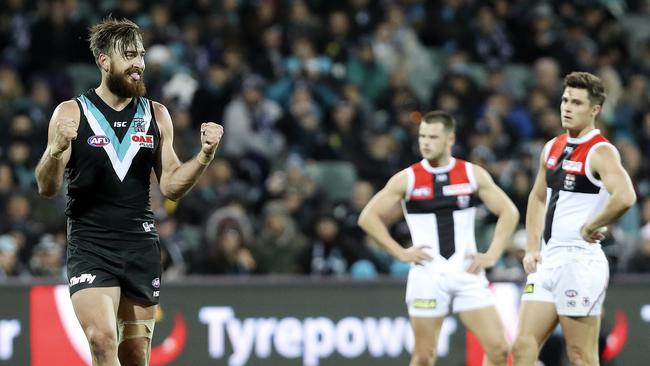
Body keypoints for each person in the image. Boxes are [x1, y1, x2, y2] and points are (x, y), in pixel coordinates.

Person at [34, 17, 223, 366]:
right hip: (91, 244)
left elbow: (171, 186)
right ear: (104, 61)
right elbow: (47, 187)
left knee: (135, 355)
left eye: (141, 55)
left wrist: (204, 157)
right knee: (102, 340)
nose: (139, 64)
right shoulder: (71, 113)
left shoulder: (156, 114)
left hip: (139, 245)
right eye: (130, 55)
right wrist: (56, 149)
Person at [358, 110, 519, 366]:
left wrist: (492, 254)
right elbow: (367, 218)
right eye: (422, 136)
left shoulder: (471, 174)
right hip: (428, 275)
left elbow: (509, 212)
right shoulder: (408, 178)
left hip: (467, 273)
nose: (425, 142)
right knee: (424, 356)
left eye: (432, 136)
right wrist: (400, 252)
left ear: (449, 139)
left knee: (499, 349)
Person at [511, 72, 636, 366]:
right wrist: (532, 247)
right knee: (522, 347)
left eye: (577, 102)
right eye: (565, 100)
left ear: (594, 110)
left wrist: (593, 224)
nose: (567, 107)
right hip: (549, 259)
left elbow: (626, 196)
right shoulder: (552, 147)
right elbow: (537, 197)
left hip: (580, 260)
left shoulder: (600, 151)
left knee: (580, 355)